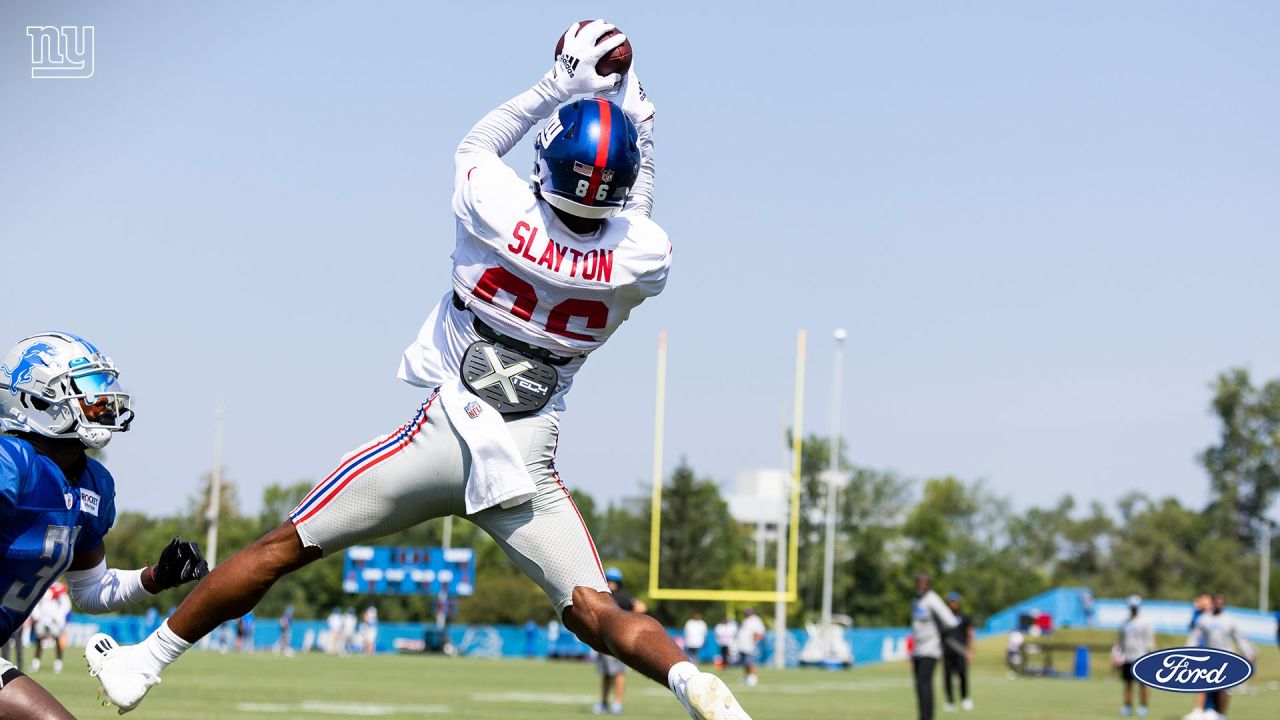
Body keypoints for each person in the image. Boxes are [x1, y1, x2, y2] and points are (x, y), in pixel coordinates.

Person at [85, 21, 749, 720]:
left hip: (443, 434)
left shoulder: (497, 208)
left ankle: (144, 662)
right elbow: (631, 218)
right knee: (595, 610)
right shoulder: (644, 255)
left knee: (284, 548)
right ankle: (690, 682)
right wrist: (639, 132)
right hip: (527, 459)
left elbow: (477, 145)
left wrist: (558, 85)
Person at [0, 332, 207, 719]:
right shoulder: (11, 463)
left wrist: (157, 577)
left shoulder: (94, 485)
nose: (101, 400)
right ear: (37, 399)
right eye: (87, 389)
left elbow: (91, 590)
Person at [1186, 593, 1255, 720]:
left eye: (1220, 603)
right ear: (1213, 603)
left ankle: (1221, 715)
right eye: (1216, 603)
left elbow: (1239, 637)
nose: (1218, 605)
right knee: (1202, 683)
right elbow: (1195, 636)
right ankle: (1198, 711)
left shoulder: (1229, 619)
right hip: (1209, 656)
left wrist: (1248, 652)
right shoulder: (1204, 619)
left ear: (1223, 604)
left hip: (1226, 658)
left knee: (1225, 688)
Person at [594, 568, 647, 714]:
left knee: (618, 673)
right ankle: (603, 703)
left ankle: (617, 704)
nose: (611, 583)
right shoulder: (602, 596)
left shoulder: (623, 597)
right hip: (603, 640)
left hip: (617, 641)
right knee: (605, 674)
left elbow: (641, 607)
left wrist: (627, 622)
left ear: (618, 582)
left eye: (613, 580)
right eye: (609, 580)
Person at [909, 574, 959, 720]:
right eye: (919, 583)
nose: (921, 586)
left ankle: (927, 717)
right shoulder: (915, 601)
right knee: (919, 685)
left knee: (925, 684)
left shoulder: (933, 600)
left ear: (929, 585)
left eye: (925, 584)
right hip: (917, 650)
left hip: (930, 649)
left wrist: (941, 633)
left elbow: (950, 621)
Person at [1116, 595, 1154, 718]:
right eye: (1131, 607)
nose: (1133, 609)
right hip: (1128, 657)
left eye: (1135, 607)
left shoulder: (1145, 622)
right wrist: (1118, 655)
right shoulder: (1124, 623)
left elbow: (1149, 641)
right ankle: (1127, 706)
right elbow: (1120, 641)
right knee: (1128, 684)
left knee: (1143, 684)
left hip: (1141, 657)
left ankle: (1143, 706)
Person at [940, 591, 974, 712]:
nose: (953, 604)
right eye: (951, 601)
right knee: (947, 677)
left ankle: (965, 699)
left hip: (961, 651)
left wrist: (970, 651)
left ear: (958, 603)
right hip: (947, 651)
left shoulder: (964, 617)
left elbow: (969, 634)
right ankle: (950, 701)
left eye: (955, 601)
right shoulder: (943, 618)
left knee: (963, 675)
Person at [28, 582, 71, 674]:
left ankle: (58, 664)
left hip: (54, 620)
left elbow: (66, 605)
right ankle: (36, 664)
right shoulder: (42, 584)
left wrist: (59, 617)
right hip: (42, 618)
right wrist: (37, 615)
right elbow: (36, 602)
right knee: (39, 641)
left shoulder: (59, 588)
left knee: (57, 640)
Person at [736, 608, 766, 687]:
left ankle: (753, 678)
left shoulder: (755, 620)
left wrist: (754, 641)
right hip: (743, 645)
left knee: (750, 662)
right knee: (745, 663)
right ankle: (747, 677)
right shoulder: (747, 620)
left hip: (750, 645)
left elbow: (759, 632)